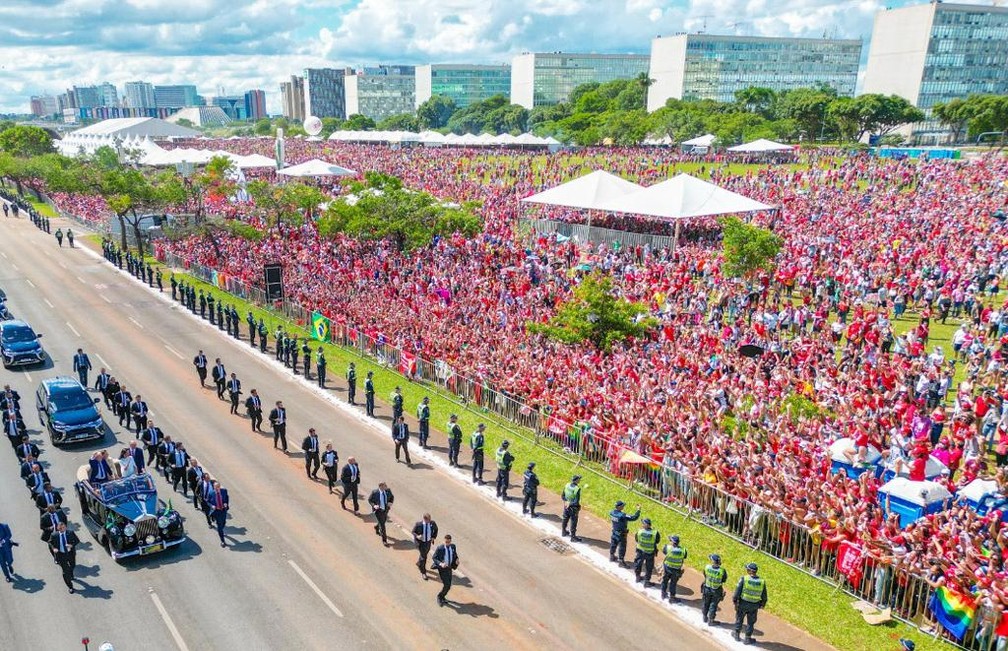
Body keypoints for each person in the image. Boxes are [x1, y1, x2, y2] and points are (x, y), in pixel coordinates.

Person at [733, 562, 767, 643]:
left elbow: (737, 592)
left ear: (749, 571)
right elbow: (764, 596)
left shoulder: (744, 579)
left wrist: (735, 602)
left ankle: (736, 634)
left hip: (743, 603)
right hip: (754, 605)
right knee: (751, 622)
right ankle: (747, 638)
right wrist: (762, 604)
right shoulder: (762, 582)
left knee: (739, 619)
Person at [49, 522, 79, 593]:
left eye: (64, 527)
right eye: (61, 528)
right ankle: (70, 587)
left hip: (70, 554)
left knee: (73, 565)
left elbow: (77, 541)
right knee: (65, 573)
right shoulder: (54, 535)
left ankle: (71, 574)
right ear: (58, 529)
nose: (63, 529)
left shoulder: (70, 533)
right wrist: (54, 548)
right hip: (61, 555)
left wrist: (71, 545)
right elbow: (50, 542)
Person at [609, 501, 641, 566]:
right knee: (622, 547)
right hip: (621, 535)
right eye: (622, 506)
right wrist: (638, 510)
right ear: (619, 507)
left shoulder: (611, 512)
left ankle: (611, 556)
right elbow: (634, 517)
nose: (623, 507)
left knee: (613, 544)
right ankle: (621, 561)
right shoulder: (622, 515)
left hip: (614, 532)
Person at [702, 554, 728, 626]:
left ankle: (704, 617)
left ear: (713, 561)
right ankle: (711, 620)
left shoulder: (707, 567)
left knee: (706, 603)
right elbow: (724, 580)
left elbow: (705, 574)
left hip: (707, 588)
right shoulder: (722, 571)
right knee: (713, 605)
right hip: (716, 590)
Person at [432, 534, 459, 606]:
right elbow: (434, 558)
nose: (447, 544)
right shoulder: (440, 548)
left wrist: (456, 560)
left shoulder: (453, 547)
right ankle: (440, 597)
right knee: (446, 584)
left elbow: (455, 555)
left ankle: (442, 597)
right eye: (446, 542)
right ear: (444, 541)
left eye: (449, 542)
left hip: (449, 568)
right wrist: (441, 564)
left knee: (449, 585)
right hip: (443, 569)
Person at [633, 519, 660, 587]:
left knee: (638, 564)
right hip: (650, 553)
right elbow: (657, 541)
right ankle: (647, 581)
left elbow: (636, 539)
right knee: (649, 567)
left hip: (640, 552)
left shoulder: (639, 531)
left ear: (646, 525)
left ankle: (638, 577)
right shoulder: (655, 533)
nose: (642, 524)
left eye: (643, 523)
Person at [661, 535, 688, 602]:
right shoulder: (683, 550)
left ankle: (663, 593)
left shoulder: (667, 547)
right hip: (676, 570)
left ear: (673, 542)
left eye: (670, 541)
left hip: (667, 568)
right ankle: (672, 597)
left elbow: (664, 551)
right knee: (673, 583)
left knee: (665, 581)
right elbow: (685, 557)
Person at [412, 513, 439, 580]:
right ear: (424, 519)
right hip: (421, 543)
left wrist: (433, 537)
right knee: (424, 558)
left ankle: (419, 563)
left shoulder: (432, 523)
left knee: (424, 554)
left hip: (428, 542)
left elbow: (436, 529)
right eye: (428, 520)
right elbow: (413, 532)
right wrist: (417, 536)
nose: (430, 521)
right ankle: (423, 572)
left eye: (430, 519)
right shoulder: (418, 524)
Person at [208, 480, 230, 548]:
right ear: (213, 487)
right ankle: (222, 541)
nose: (217, 488)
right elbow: (208, 501)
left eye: (218, 487)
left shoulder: (224, 491)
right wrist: (212, 506)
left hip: (223, 510)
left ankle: (221, 530)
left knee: (223, 523)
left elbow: (226, 498)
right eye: (216, 487)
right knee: (219, 526)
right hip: (216, 511)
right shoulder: (211, 493)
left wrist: (226, 503)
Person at [561, 475, 583, 542]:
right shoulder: (577, 489)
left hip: (566, 506)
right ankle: (573, 537)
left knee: (565, 518)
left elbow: (562, 496)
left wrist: (566, 502)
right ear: (576, 480)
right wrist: (572, 504)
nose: (580, 480)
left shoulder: (567, 485)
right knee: (573, 522)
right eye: (579, 479)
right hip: (573, 508)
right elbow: (576, 501)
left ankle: (563, 532)